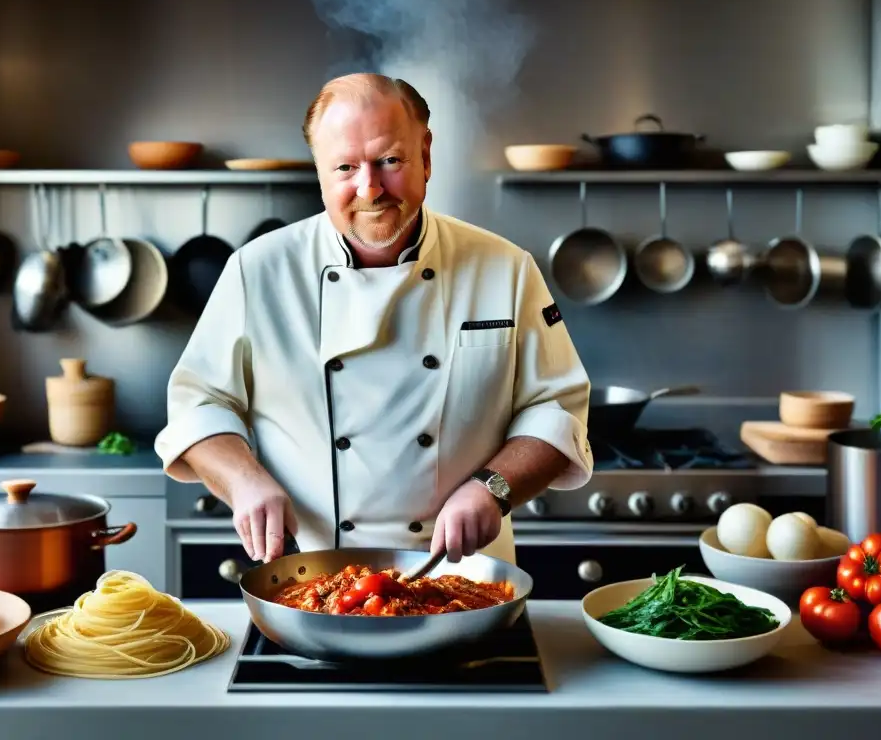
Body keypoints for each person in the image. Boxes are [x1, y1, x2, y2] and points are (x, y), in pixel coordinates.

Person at [154, 73, 593, 566]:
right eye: (345, 167)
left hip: (466, 577)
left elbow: (556, 409)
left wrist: (492, 488)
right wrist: (244, 479)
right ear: (319, 171)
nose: (370, 188)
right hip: (311, 578)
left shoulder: (505, 268)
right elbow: (199, 404)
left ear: (426, 155)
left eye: (389, 161)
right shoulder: (257, 271)